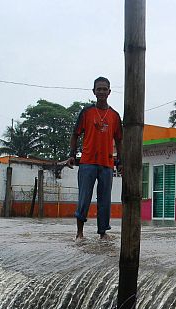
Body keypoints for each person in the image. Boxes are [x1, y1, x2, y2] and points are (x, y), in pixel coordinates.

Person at [68, 76, 123, 240]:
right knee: (84, 198)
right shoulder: (86, 112)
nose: (101, 92)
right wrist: (72, 155)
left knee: (105, 200)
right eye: (99, 89)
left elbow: (119, 140)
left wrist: (120, 161)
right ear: (94, 91)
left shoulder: (114, 116)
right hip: (87, 163)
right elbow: (75, 134)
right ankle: (79, 233)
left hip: (107, 164)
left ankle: (103, 233)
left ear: (109, 92)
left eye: (104, 89)